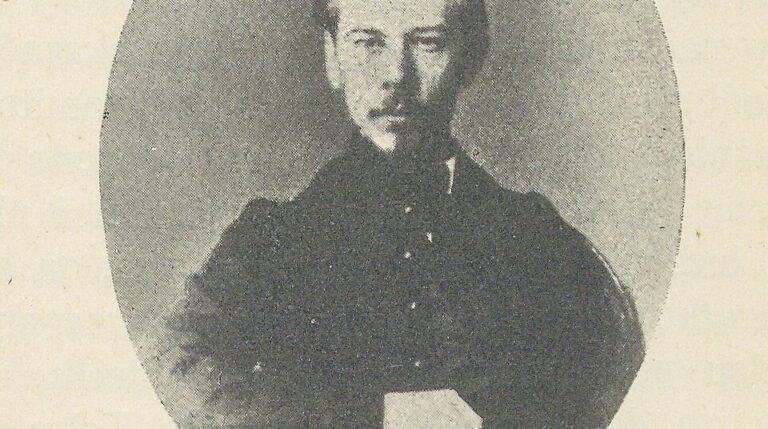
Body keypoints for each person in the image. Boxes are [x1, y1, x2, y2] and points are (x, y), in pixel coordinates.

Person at [141, 0, 645, 427]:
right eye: (367, 43)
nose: (395, 76)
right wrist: (369, 415)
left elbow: (616, 378)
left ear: (470, 57)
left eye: (427, 43)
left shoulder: (537, 238)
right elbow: (171, 371)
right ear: (332, 59)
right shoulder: (269, 241)